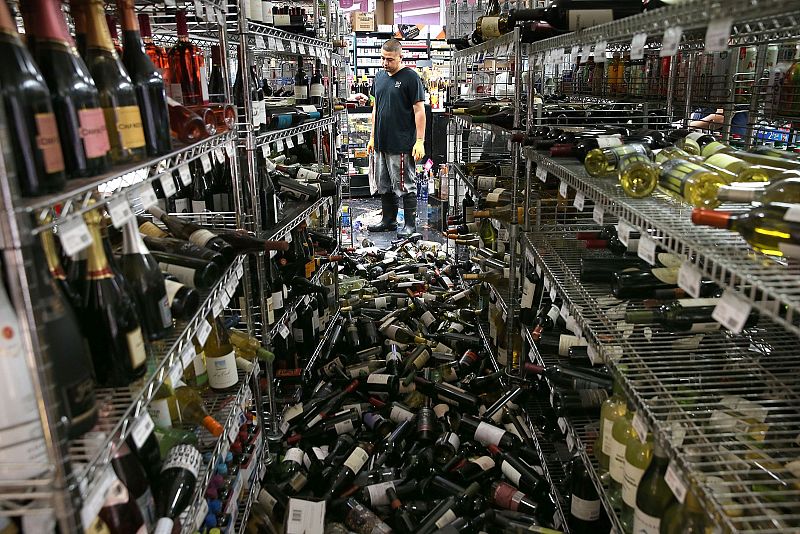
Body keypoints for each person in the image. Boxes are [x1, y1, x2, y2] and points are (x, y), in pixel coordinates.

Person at [366, 38, 426, 237]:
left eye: (390, 60)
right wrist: (372, 137)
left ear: (401, 57)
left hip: (401, 143)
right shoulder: (379, 77)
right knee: (383, 184)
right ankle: (388, 221)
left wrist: (420, 141)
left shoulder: (411, 77)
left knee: (405, 185)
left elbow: (419, 111)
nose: (385, 63)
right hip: (381, 142)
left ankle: (410, 226)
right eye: (383, 59)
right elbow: (376, 109)